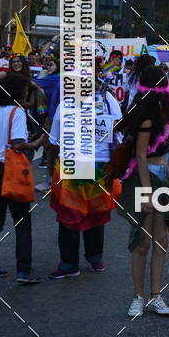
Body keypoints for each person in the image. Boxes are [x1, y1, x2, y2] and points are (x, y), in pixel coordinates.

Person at [118, 65, 169, 317]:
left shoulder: (163, 114)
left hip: (161, 181)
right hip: (143, 181)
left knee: (162, 240)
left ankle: (156, 296)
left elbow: (161, 157)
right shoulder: (147, 118)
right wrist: (146, 193)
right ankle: (138, 297)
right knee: (142, 242)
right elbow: (141, 157)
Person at [46, 74, 122, 278]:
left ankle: (70, 263)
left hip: (79, 163)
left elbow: (54, 139)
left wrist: (51, 165)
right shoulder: (108, 101)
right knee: (95, 211)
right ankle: (94, 258)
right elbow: (119, 132)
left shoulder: (69, 104)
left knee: (70, 213)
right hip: (99, 163)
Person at [0, 74, 42, 282]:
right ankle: (23, 270)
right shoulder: (17, 112)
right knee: (21, 221)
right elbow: (18, 143)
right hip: (10, 170)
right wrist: (36, 143)